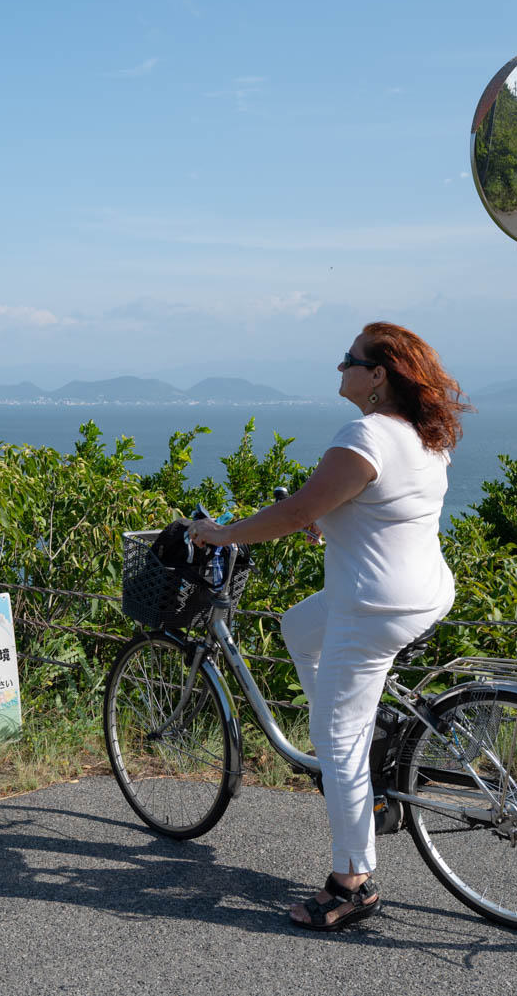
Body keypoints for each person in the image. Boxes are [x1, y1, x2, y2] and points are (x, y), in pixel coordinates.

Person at [189, 321, 469, 931]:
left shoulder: (366, 434)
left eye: (350, 359)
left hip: (373, 607)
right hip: (421, 593)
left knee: (336, 739)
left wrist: (224, 533)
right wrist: (328, 515)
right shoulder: (425, 437)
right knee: (297, 626)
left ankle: (351, 881)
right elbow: (376, 506)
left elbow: (296, 510)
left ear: (378, 375)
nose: (339, 367)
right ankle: (360, 746)